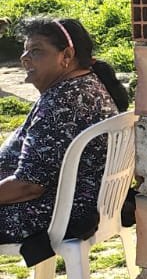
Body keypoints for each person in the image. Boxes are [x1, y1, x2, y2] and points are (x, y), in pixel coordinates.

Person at [0, 18, 122, 259]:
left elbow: (29, 186)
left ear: (66, 55)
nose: (25, 58)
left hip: (50, 212)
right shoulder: (85, 85)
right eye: (25, 51)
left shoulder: (63, 103)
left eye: (36, 51)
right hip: (66, 205)